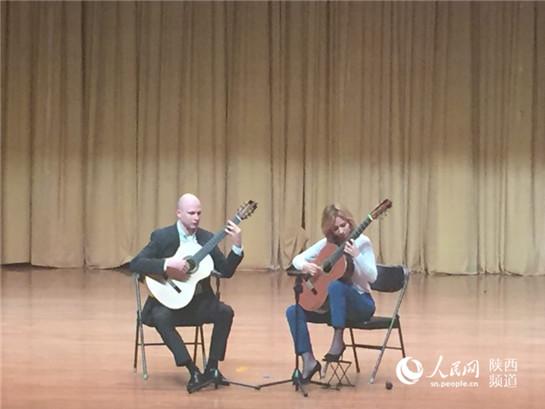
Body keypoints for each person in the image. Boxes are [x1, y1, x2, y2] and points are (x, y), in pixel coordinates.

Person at [130, 193, 244, 393]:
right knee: (160, 317)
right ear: (179, 213)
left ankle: (212, 368)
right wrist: (167, 263)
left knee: (225, 312)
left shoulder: (207, 238)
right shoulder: (162, 237)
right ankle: (193, 371)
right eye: (191, 213)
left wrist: (237, 246)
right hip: (169, 302)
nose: (196, 217)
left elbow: (226, 271)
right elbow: (136, 263)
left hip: (199, 302)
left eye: (199, 213)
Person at [285, 204, 377, 383]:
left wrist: (357, 255)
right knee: (293, 311)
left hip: (361, 304)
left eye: (344, 225)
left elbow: (373, 277)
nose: (341, 231)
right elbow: (297, 259)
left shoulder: (363, 242)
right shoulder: (328, 245)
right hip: (334, 307)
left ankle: (338, 340)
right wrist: (306, 266)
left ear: (350, 222)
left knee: (335, 286)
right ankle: (308, 361)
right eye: (335, 228)